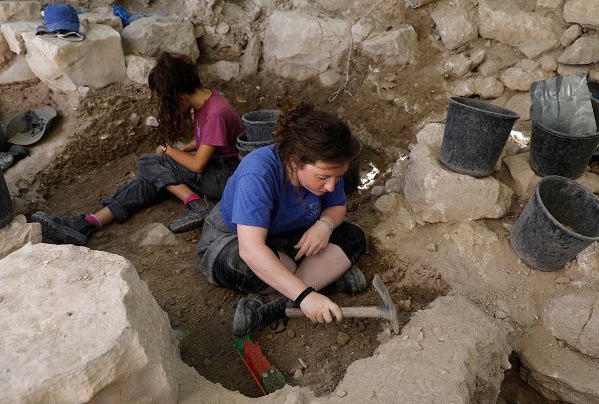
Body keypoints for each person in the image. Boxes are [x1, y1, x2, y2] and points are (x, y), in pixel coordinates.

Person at [32, 52, 245, 246]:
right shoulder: (204, 97)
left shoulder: (215, 112)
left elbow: (198, 165)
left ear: (180, 97)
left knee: (149, 162)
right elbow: (208, 140)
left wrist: (168, 150)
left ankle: (197, 204)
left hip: (224, 176)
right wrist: (184, 148)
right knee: (150, 177)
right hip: (216, 168)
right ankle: (88, 224)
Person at [196, 102, 367, 336]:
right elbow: (251, 249)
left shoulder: (328, 170)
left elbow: (337, 207)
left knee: (353, 236)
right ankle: (316, 284)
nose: (331, 185)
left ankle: (274, 301)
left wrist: (324, 225)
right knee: (234, 261)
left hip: (294, 239)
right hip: (238, 239)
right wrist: (305, 297)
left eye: (338, 177)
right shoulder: (258, 173)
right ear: (295, 161)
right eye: (323, 177)